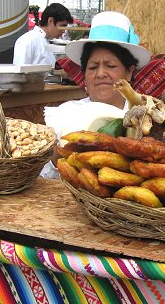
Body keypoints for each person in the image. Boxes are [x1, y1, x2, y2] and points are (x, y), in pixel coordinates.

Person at [40, 11, 151, 179]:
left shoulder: (147, 117)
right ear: (84, 73)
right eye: (92, 67)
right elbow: (43, 177)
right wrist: (56, 158)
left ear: (129, 72)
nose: (101, 73)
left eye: (111, 66)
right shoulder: (64, 116)